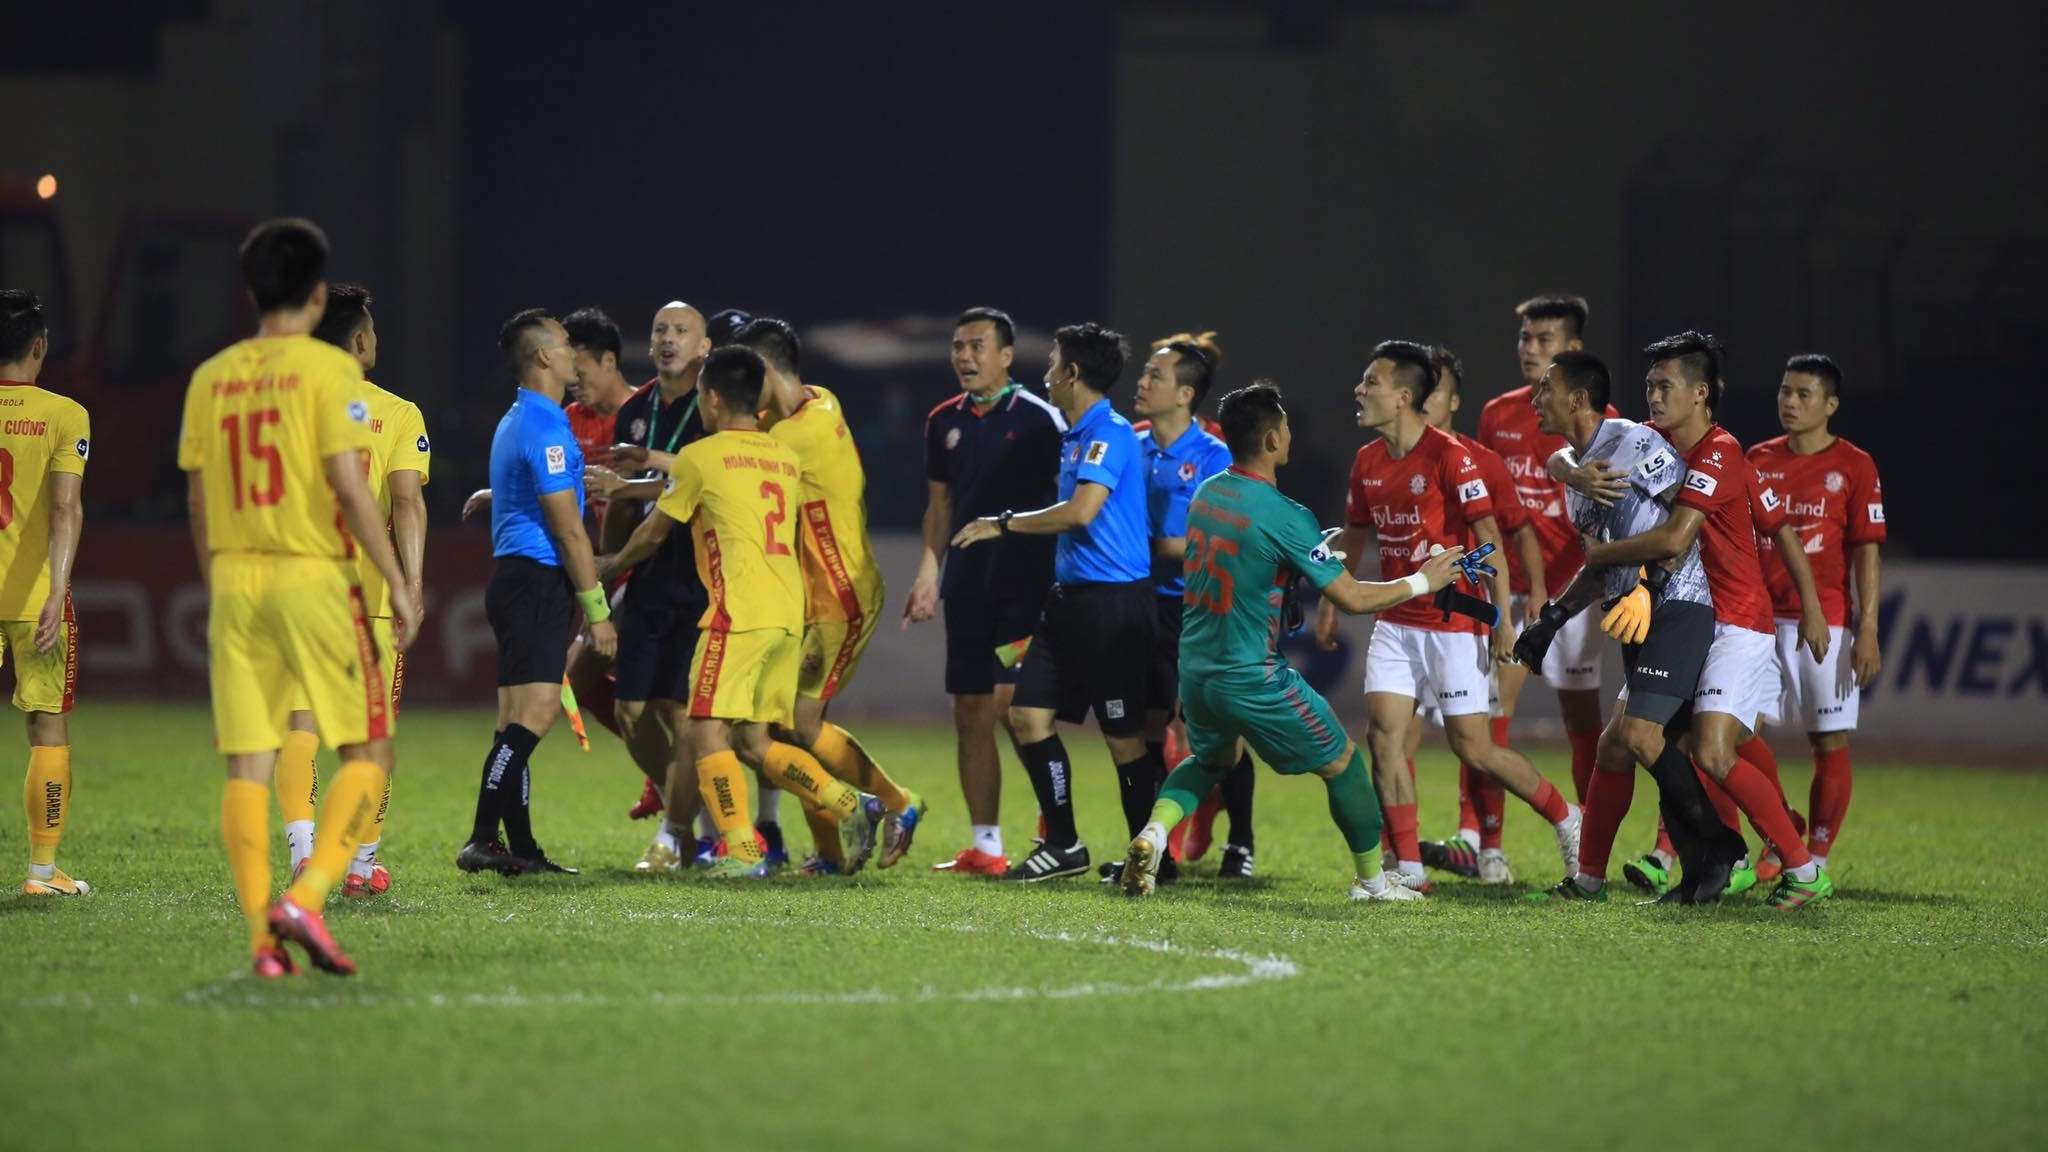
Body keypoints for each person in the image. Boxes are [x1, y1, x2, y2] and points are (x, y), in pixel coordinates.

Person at [179, 218, 419, 976]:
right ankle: (308, 897)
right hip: (314, 577)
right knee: (370, 748)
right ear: (317, 296)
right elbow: (350, 487)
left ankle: (263, 942)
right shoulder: (331, 375)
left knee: (248, 765)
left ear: (251, 292)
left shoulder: (211, 377)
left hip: (235, 583)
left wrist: (216, 586)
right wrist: (400, 581)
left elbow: (199, 501)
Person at [1119, 381, 1468, 901]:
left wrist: (1308, 550)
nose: (1288, 434)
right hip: (1252, 675)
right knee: (1345, 764)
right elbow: (1352, 597)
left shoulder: (1207, 493)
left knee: (1210, 761)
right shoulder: (1287, 515)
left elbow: (1253, 551)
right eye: (1283, 426)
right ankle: (1373, 883)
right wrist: (1423, 581)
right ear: (1271, 440)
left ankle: (1153, 833)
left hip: (1197, 670)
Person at [1558, 333, 1832, 909]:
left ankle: (1801, 867)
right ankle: (1590, 879)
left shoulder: (1721, 452)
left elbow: (1678, 540)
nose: (1653, 396)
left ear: (1701, 392)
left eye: (1665, 386)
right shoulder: (1651, 441)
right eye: (1649, 385)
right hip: (1684, 621)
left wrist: (1811, 607)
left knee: (1711, 748)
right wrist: (1571, 472)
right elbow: (1574, 442)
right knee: (1620, 745)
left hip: (1735, 624)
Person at [601, 345, 879, 877]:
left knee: (704, 731)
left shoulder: (699, 457)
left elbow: (652, 534)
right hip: (786, 613)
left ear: (711, 398)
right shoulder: (783, 456)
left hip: (737, 613)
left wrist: (608, 566)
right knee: (753, 741)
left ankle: (744, 853)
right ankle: (849, 804)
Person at [1315, 341, 1580, 896]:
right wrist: (1329, 596)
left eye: (1371, 382)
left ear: (1403, 396)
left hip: (1453, 623)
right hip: (1394, 621)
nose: (1359, 390)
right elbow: (1355, 534)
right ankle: (1410, 871)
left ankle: (1565, 818)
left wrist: (1503, 620)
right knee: (1384, 739)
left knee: (1474, 748)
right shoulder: (1367, 461)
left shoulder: (1452, 456)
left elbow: (1491, 537)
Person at [1512, 350, 1731, 904]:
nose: (1535, 399)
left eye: (1545, 390)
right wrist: (1553, 619)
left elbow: (1686, 526)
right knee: (1622, 746)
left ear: (1577, 399)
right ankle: (1600, 880)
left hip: (1678, 608)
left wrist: (1649, 586)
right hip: (1633, 620)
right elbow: (1599, 564)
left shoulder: (1637, 442)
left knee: (1641, 737)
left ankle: (1723, 849)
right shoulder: (1577, 476)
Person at [952, 322, 1158, 882]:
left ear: (1072, 373)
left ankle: (1150, 856)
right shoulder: (1076, 434)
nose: (1045, 373)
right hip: (1068, 603)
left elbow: (1081, 511)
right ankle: (1064, 845)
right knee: (1026, 716)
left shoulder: (1109, 433)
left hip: (1114, 607)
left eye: (1053, 363)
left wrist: (1003, 524)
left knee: (1123, 740)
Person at [737, 318, 925, 873]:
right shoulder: (820, 399)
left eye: (746, 376)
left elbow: (727, 468)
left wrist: (651, 470)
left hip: (839, 598)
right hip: (810, 595)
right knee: (784, 729)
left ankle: (897, 803)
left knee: (800, 725)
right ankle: (829, 852)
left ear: (764, 370)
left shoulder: (798, 435)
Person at [271, 284, 428, 898]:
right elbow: (408, 504)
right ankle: (361, 867)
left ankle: (305, 854)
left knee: (301, 724)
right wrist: (412, 583)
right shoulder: (398, 413)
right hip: (372, 597)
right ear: (361, 340)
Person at [456, 309, 615, 877]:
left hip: (517, 581)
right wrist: (597, 610)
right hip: (536, 583)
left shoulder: (519, 418)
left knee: (515, 721)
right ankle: (481, 839)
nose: (574, 352)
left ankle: (519, 848)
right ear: (545, 355)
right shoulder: (546, 428)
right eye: (567, 343)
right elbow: (568, 530)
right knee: (538, 714)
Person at [907, 307, 1064, 876]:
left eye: (977, 346)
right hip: (968, 587)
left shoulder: (1043, 419)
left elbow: (1071, 499)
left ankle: (1056, 823)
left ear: (1006, 355)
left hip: (1026, 586)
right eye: (958, 346)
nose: (965, 356)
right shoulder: (942, 421)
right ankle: (986, 846)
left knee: (1010, 705)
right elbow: (940, 506)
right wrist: (929, 571)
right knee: (971, 710)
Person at [578, 302, 718, 869]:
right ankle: (686, 809)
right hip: (648, 573)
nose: (668, 339)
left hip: (702, 575)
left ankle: (677, 834)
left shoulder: (713, 407)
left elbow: (706, 480)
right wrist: (609, 567)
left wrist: (632, 487)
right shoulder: (636, 409)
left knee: (682, 714)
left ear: (704, 347)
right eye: (661, 329)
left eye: (682, 331)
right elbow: (617, 498)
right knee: (632, 712)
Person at [1747, 354, 1885, 877]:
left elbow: (1867, 551)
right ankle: (1783, 823)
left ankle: (1818, 860)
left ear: (1830, 405)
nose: (1790, 402)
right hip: (1758, 620)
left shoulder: (1855, 465)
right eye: (1785, 391)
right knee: (1733, 733)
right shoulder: (1758, 458)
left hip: (1825, 621)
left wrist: (1867, 629)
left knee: (1828, 740)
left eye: (1803, 394)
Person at [1412, 345, 1544, 884]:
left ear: (1453, 401)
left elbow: (1517, 530)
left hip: (1470, 619)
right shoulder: (1385, 457)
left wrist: (1530, 595)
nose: (1424, 399)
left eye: (1436, 390)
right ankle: (1401, 857)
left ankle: (1489, 844)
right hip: (1407, 619)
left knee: (1485, 732)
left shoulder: (1480, 461)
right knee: (1392, 737)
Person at [1477, 296, 1609, 803]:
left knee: (1582, 719)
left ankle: (1590, 831)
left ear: (1572, 347)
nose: (1529, 348)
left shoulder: (1606, 422)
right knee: (1490, 709)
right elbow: (1483, 507)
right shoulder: (1497, 415)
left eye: (1543, 339)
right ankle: (1480, 836)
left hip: (1574, 592)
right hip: (1509, 588)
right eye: (1524, 338)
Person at [1130, 334, 1237, 880]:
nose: (1142, 382)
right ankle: (1158, 843)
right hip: (1141, 603)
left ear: (1185, 393)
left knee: (1208, 729)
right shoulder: (1130, 445)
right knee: (1148, 724)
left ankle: (1239, 837)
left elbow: (1210, 541)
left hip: (1198, 607)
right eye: (1145, 373)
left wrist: (1141, 545)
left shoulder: (1214, 455)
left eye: (1155, 375)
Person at [0, 289, 90, 896]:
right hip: (35, 598)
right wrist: (58, 590)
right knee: (47, 727)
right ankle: (40, 873)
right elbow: (64, 510)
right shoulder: (65, 415)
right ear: (38, 346)